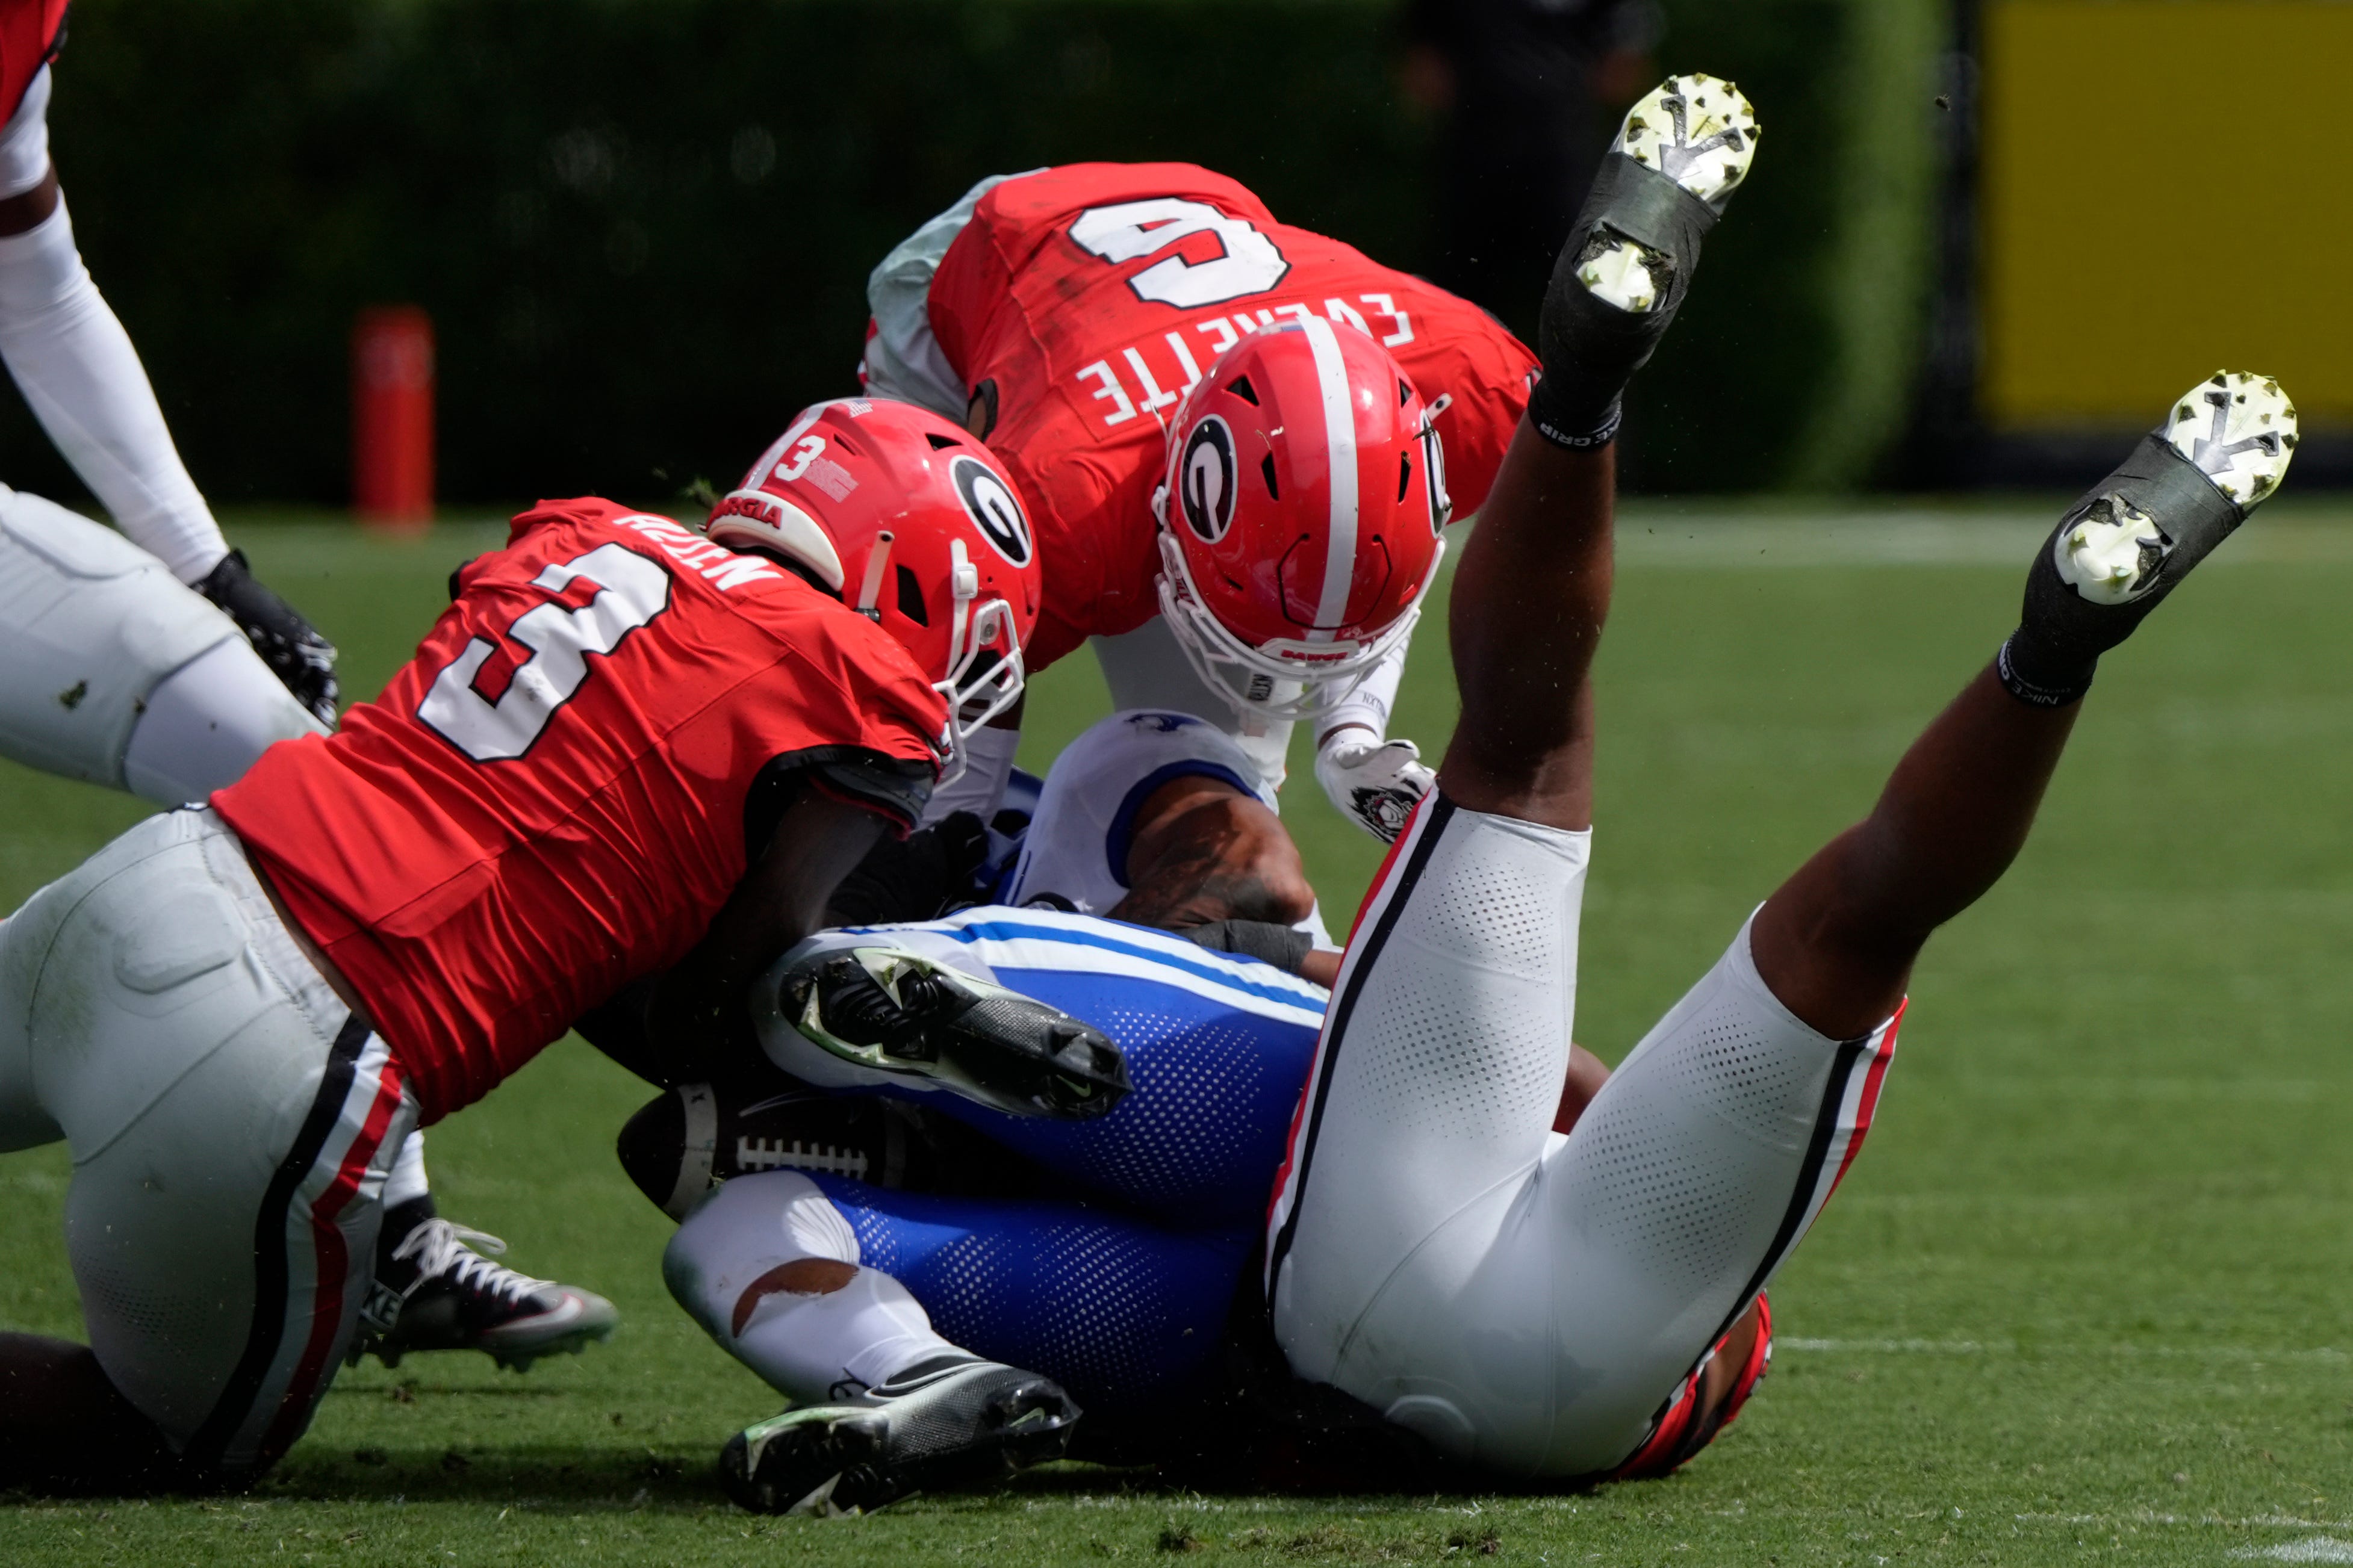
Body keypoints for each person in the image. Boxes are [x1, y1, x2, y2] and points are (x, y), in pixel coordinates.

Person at [665, 72, 2302, 1499]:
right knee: (1300, 830)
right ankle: (2038, 653)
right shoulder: (1125, 468)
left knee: (1784, 879)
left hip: (1428, 1314)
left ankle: (883, 1026)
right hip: (1266, 1303)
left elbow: (1650, 1173)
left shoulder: (1672, 1341)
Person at [0, 399, 1038, 1490]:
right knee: (162, 1445)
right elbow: (708, 1017)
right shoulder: (858, 692)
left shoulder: (584, 531)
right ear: (912, 575)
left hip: (163, 869)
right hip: (292, 1035)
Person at [858, 161, 1540, 848]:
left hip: (1198, 213)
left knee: (1223, 799)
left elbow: (1371, 555)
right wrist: (933, 851)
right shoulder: (1059, 506)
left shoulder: (1474, 385)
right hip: (979, 264)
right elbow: (952, 689)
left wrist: (1350, 732)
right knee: (910, 764)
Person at [1401, 0, 1663, 343]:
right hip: (1474, 159)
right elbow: (1423, 61)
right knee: (1458, 305)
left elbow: (1623, 65)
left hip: (1562, 163)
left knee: (1585, 304)